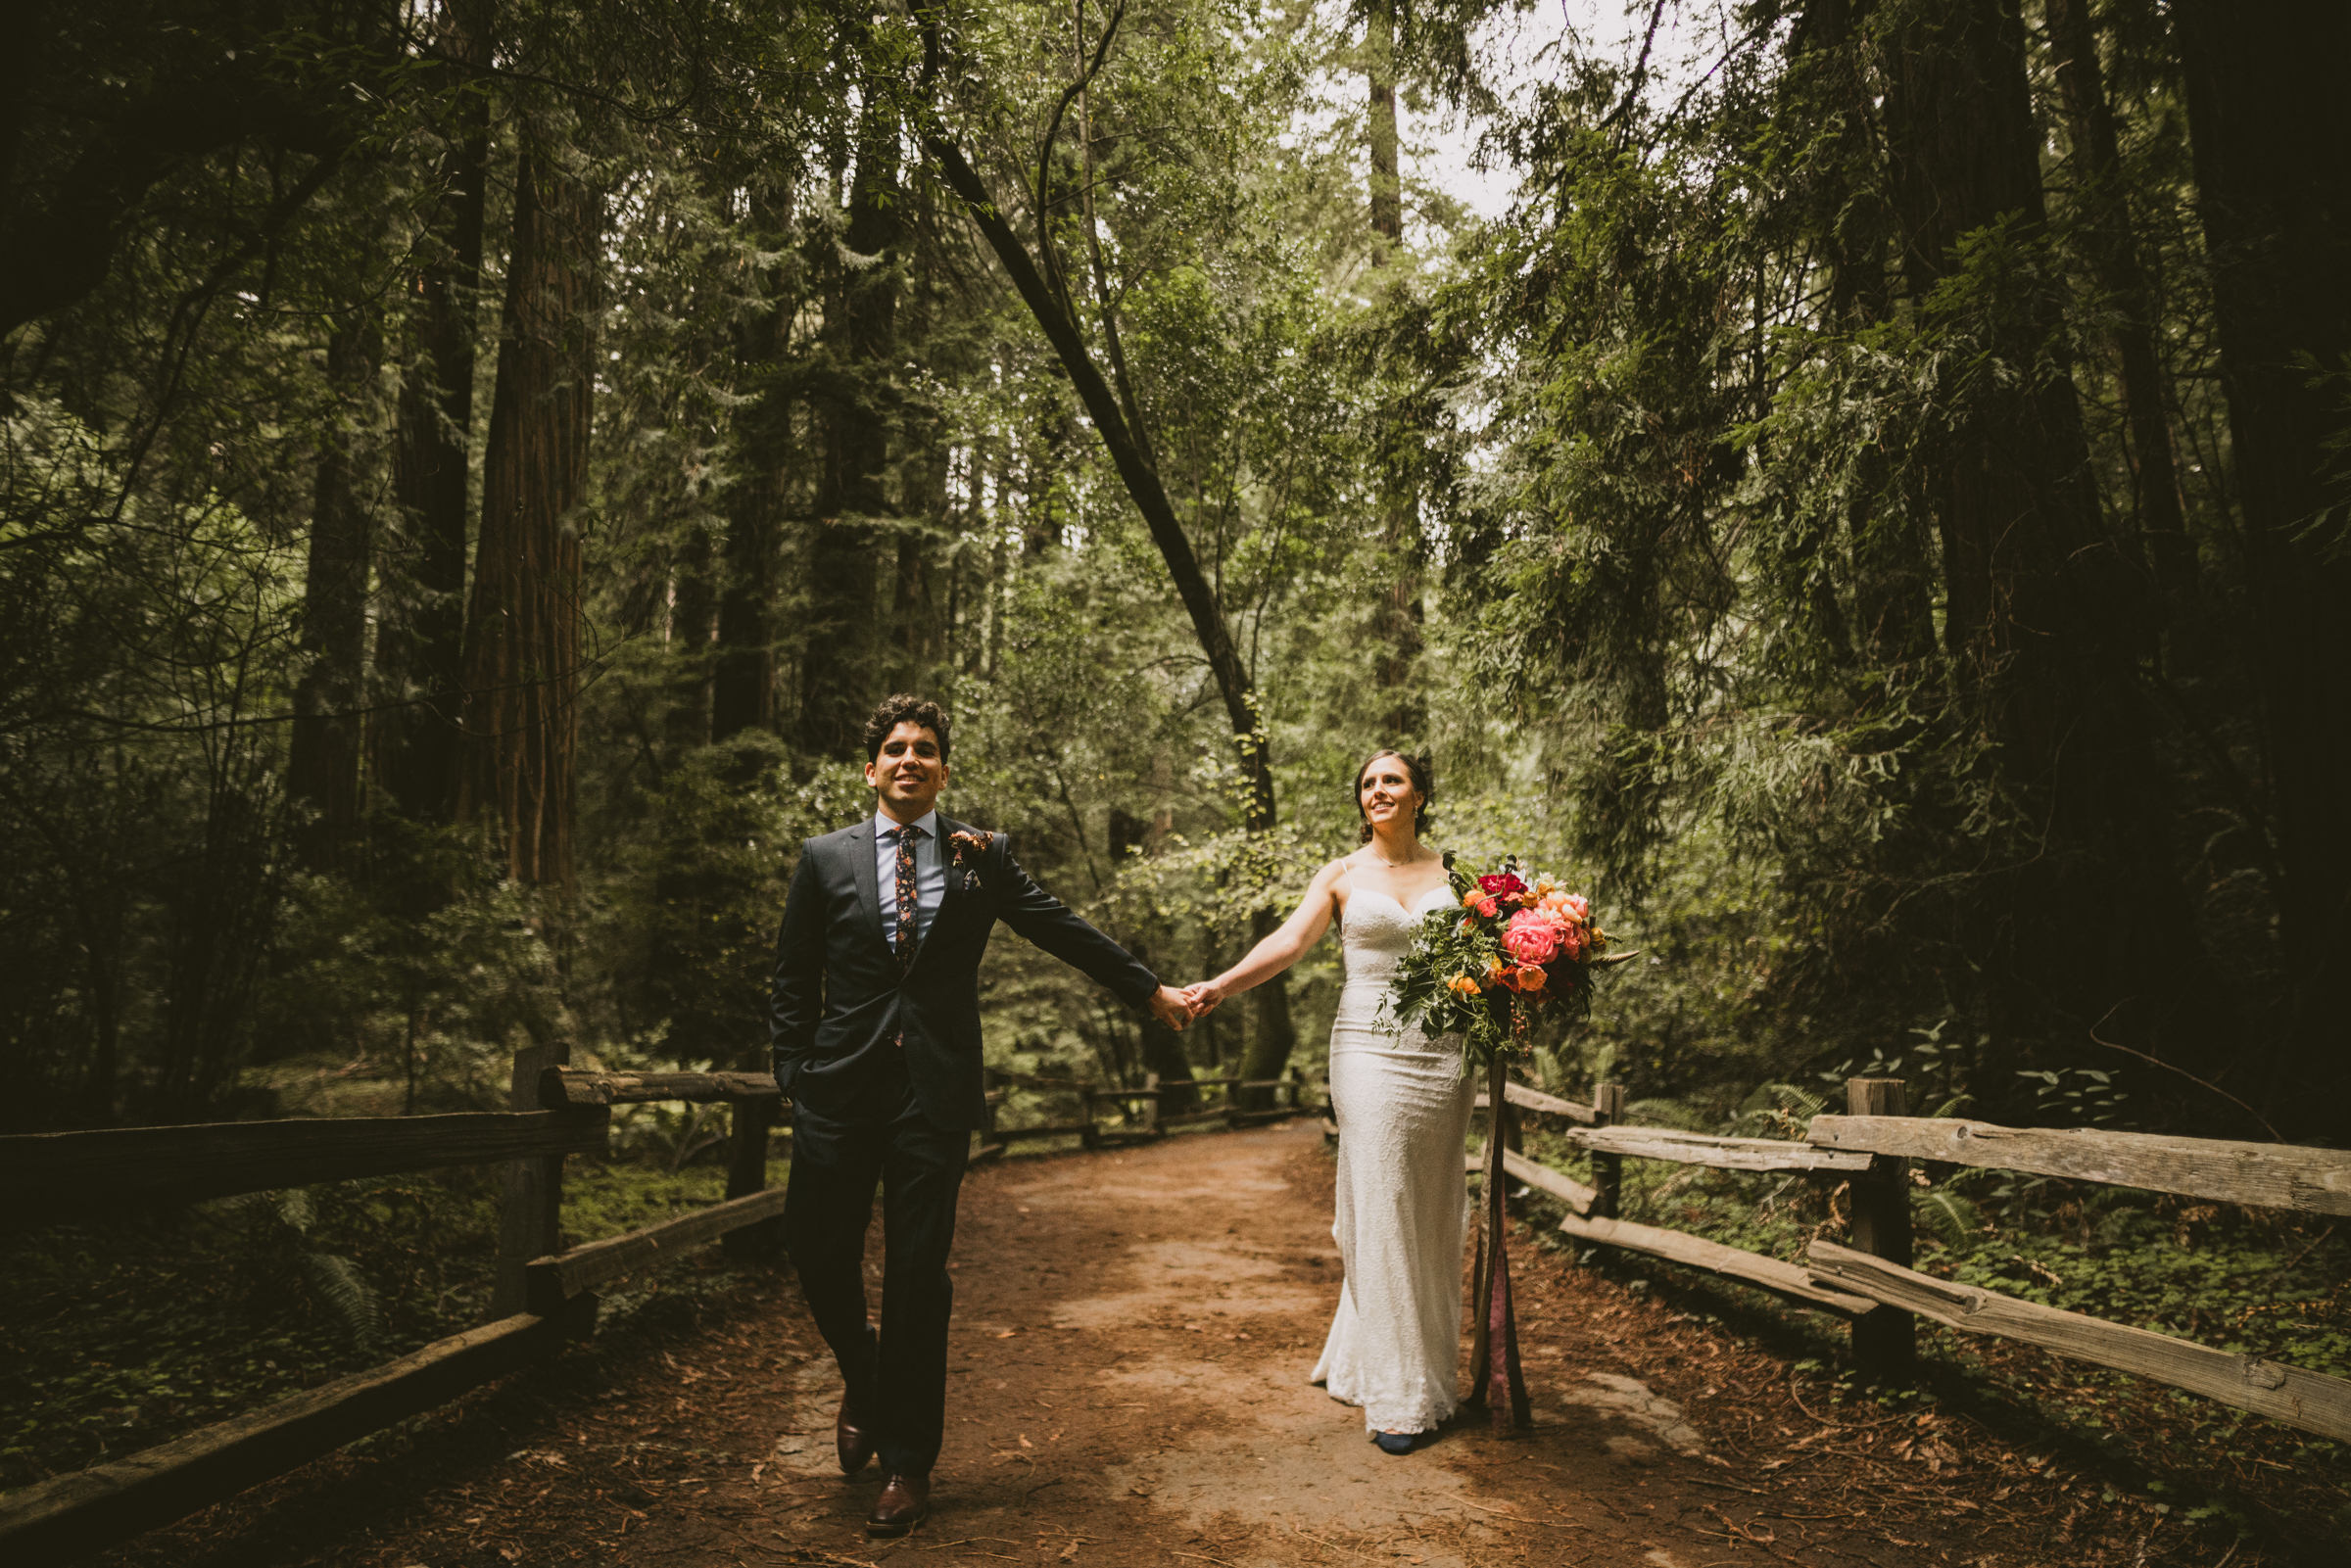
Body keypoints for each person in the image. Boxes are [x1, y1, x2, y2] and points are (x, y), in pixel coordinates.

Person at [769, 693, 1198, 1535]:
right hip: (839, 1087)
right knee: (815, 1246)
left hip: (935, 1094)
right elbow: (795, 973)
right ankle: (863, 1366)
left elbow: (1060, 927)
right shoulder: (824, 858)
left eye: (925, 748)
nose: (909, 759)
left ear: (943, 770)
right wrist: (794, 1073)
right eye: (894, 747)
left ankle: (906, 1462)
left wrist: (1149, 990)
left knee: (917, 1275)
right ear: (871, 768)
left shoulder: (982, 858)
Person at [1181, 750, 1470, 1454]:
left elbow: (1485, 964)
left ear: (1421, 795)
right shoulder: (1340, 875)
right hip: (1367, 1050)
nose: (1378, 790)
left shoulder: (1458, 877)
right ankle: (1399, 1396)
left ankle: (1405, 1356)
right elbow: (1288, 942)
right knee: (1379, 1198)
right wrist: (1220, 985)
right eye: (1368, 782)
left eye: (1392, 779)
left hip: (1443, 1055)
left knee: (1428, 1207)